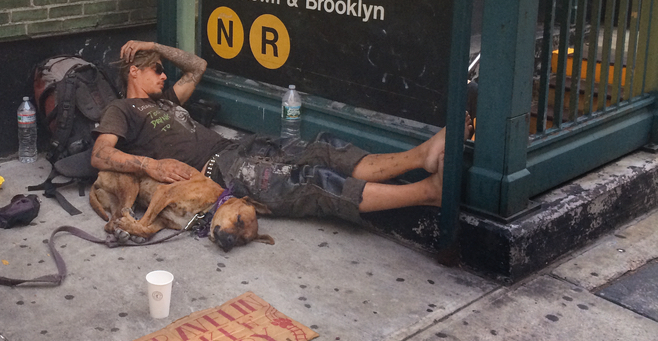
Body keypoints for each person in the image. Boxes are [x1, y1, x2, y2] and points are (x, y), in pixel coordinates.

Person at [91, 40, 457, 223]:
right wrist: (149, 166)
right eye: (155, 69)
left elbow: (197, 66)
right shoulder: (122, 109)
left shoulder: (167, 99)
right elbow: (101, 154)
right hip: (220, 172)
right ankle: (425, 193)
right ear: (133, 73)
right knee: (313, 182)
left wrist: (156, 48)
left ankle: (420, 157)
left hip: (237, 148)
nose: (164, 74)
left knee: (324, 148)